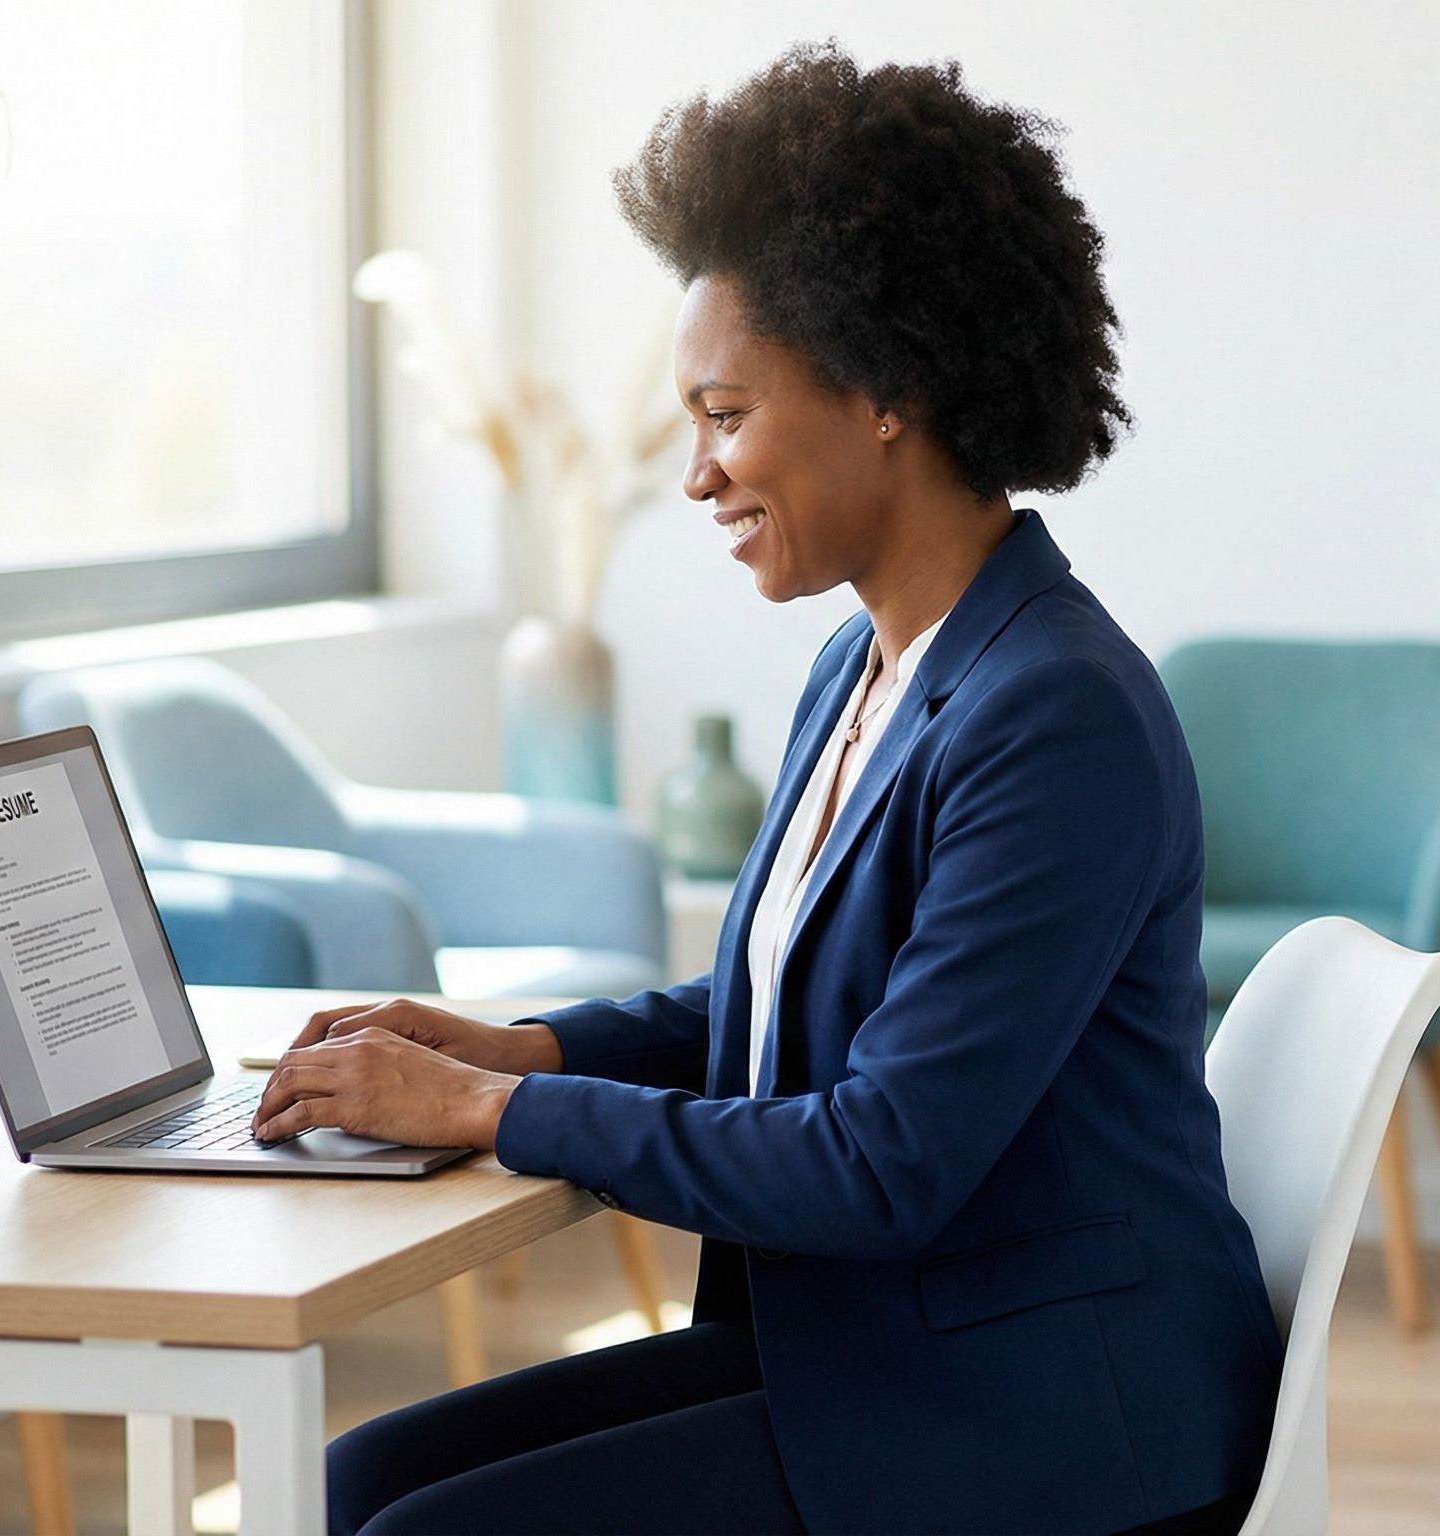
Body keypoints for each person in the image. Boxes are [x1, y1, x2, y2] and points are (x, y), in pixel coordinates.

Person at [246, 42, 1281, 1536]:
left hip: (1036, 1414)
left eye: (725, 416)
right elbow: (782, 1009)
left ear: (890, 391)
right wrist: (524, 1048)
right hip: (883, 1347)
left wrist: (488, 1109)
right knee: (354, 1481)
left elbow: (879, 1162)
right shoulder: (867, 665)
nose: (698, 476)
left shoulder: (1056, 715)